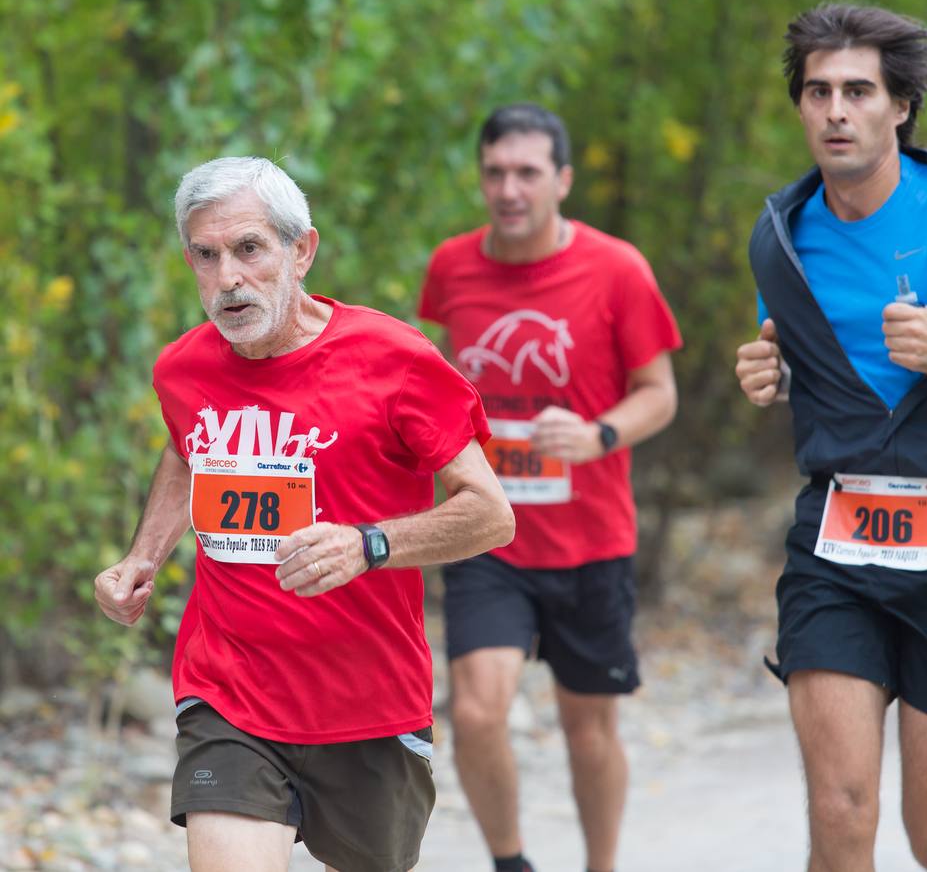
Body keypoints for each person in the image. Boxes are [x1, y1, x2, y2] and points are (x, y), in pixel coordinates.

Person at [94, 156, 515, 872]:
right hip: (228, 691)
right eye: (206, 254)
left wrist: (369, 544)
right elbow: (186, 447)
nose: (227, 277)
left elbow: (491, 515)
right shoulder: (183, 370)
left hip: (367, 703)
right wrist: (144, 557)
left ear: (302, 250)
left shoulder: (394, 361)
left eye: (249, 249)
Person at [735, 3, 927, 871]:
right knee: (841, 813)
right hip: (838, 546)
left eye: (858, 90)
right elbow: (799, 357)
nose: (836, 111)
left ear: (900, 105)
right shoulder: (780, 237)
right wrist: (768, 375)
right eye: (818, 92)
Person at [418, 104, 682, 872]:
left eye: (527, 172)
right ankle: (511, 862)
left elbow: (659, 392)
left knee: (587, 729)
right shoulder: (452, 266)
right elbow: (431, 374)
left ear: (562, 180)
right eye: (495, 172)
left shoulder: (617, 269)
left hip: (590, 538)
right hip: (484, 532)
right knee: (473, 712)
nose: (509, 188)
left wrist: (599, 433)